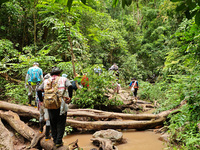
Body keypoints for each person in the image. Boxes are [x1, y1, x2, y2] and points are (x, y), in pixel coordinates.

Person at [41, 67, 73, 148]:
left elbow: (38, 89)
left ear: (51, 74)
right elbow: (70, 86)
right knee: (61, 123)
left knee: (52, 122)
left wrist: (42, 100)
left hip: (50, 104)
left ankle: (54, 140)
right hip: (61, 105)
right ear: (59, 74)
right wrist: (70, 97)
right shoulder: (64, 79)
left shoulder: (46, 80)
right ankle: (59, 141)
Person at [37, 73, 51, 140]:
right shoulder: (49, 85)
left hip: (40, 103)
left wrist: (40, 101)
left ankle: (41, 129)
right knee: (48, 118)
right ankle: (47, 135)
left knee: (41, 115)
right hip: (46, 103)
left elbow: (37, 94)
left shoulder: (41, 85)